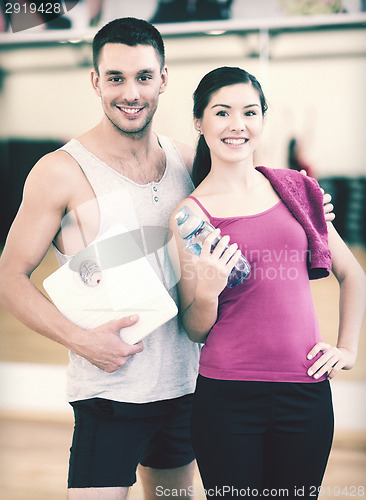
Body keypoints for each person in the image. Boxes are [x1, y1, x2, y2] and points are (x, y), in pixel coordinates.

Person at [0, 18, 334, 499]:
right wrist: (82, 340)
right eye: (115, 78)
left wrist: (307, 204)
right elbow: (10, 277)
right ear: (96, 81)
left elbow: (255, 198)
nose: (129, 92)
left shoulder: (186, 162)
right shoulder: (59, 172)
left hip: (187, 389)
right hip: (109, 392)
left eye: (142, 77)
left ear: (163, 80)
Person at [169, 66, 366, 499]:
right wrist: (207, 289)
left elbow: (353, 274)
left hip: (306, 392)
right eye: (221, 113)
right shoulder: (190, 216)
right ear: (199, 122)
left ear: (262, 119)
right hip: (227, 398)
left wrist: (348, 349)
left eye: (249, 112)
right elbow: (194, 327)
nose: (237, 125)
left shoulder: (298, 191)